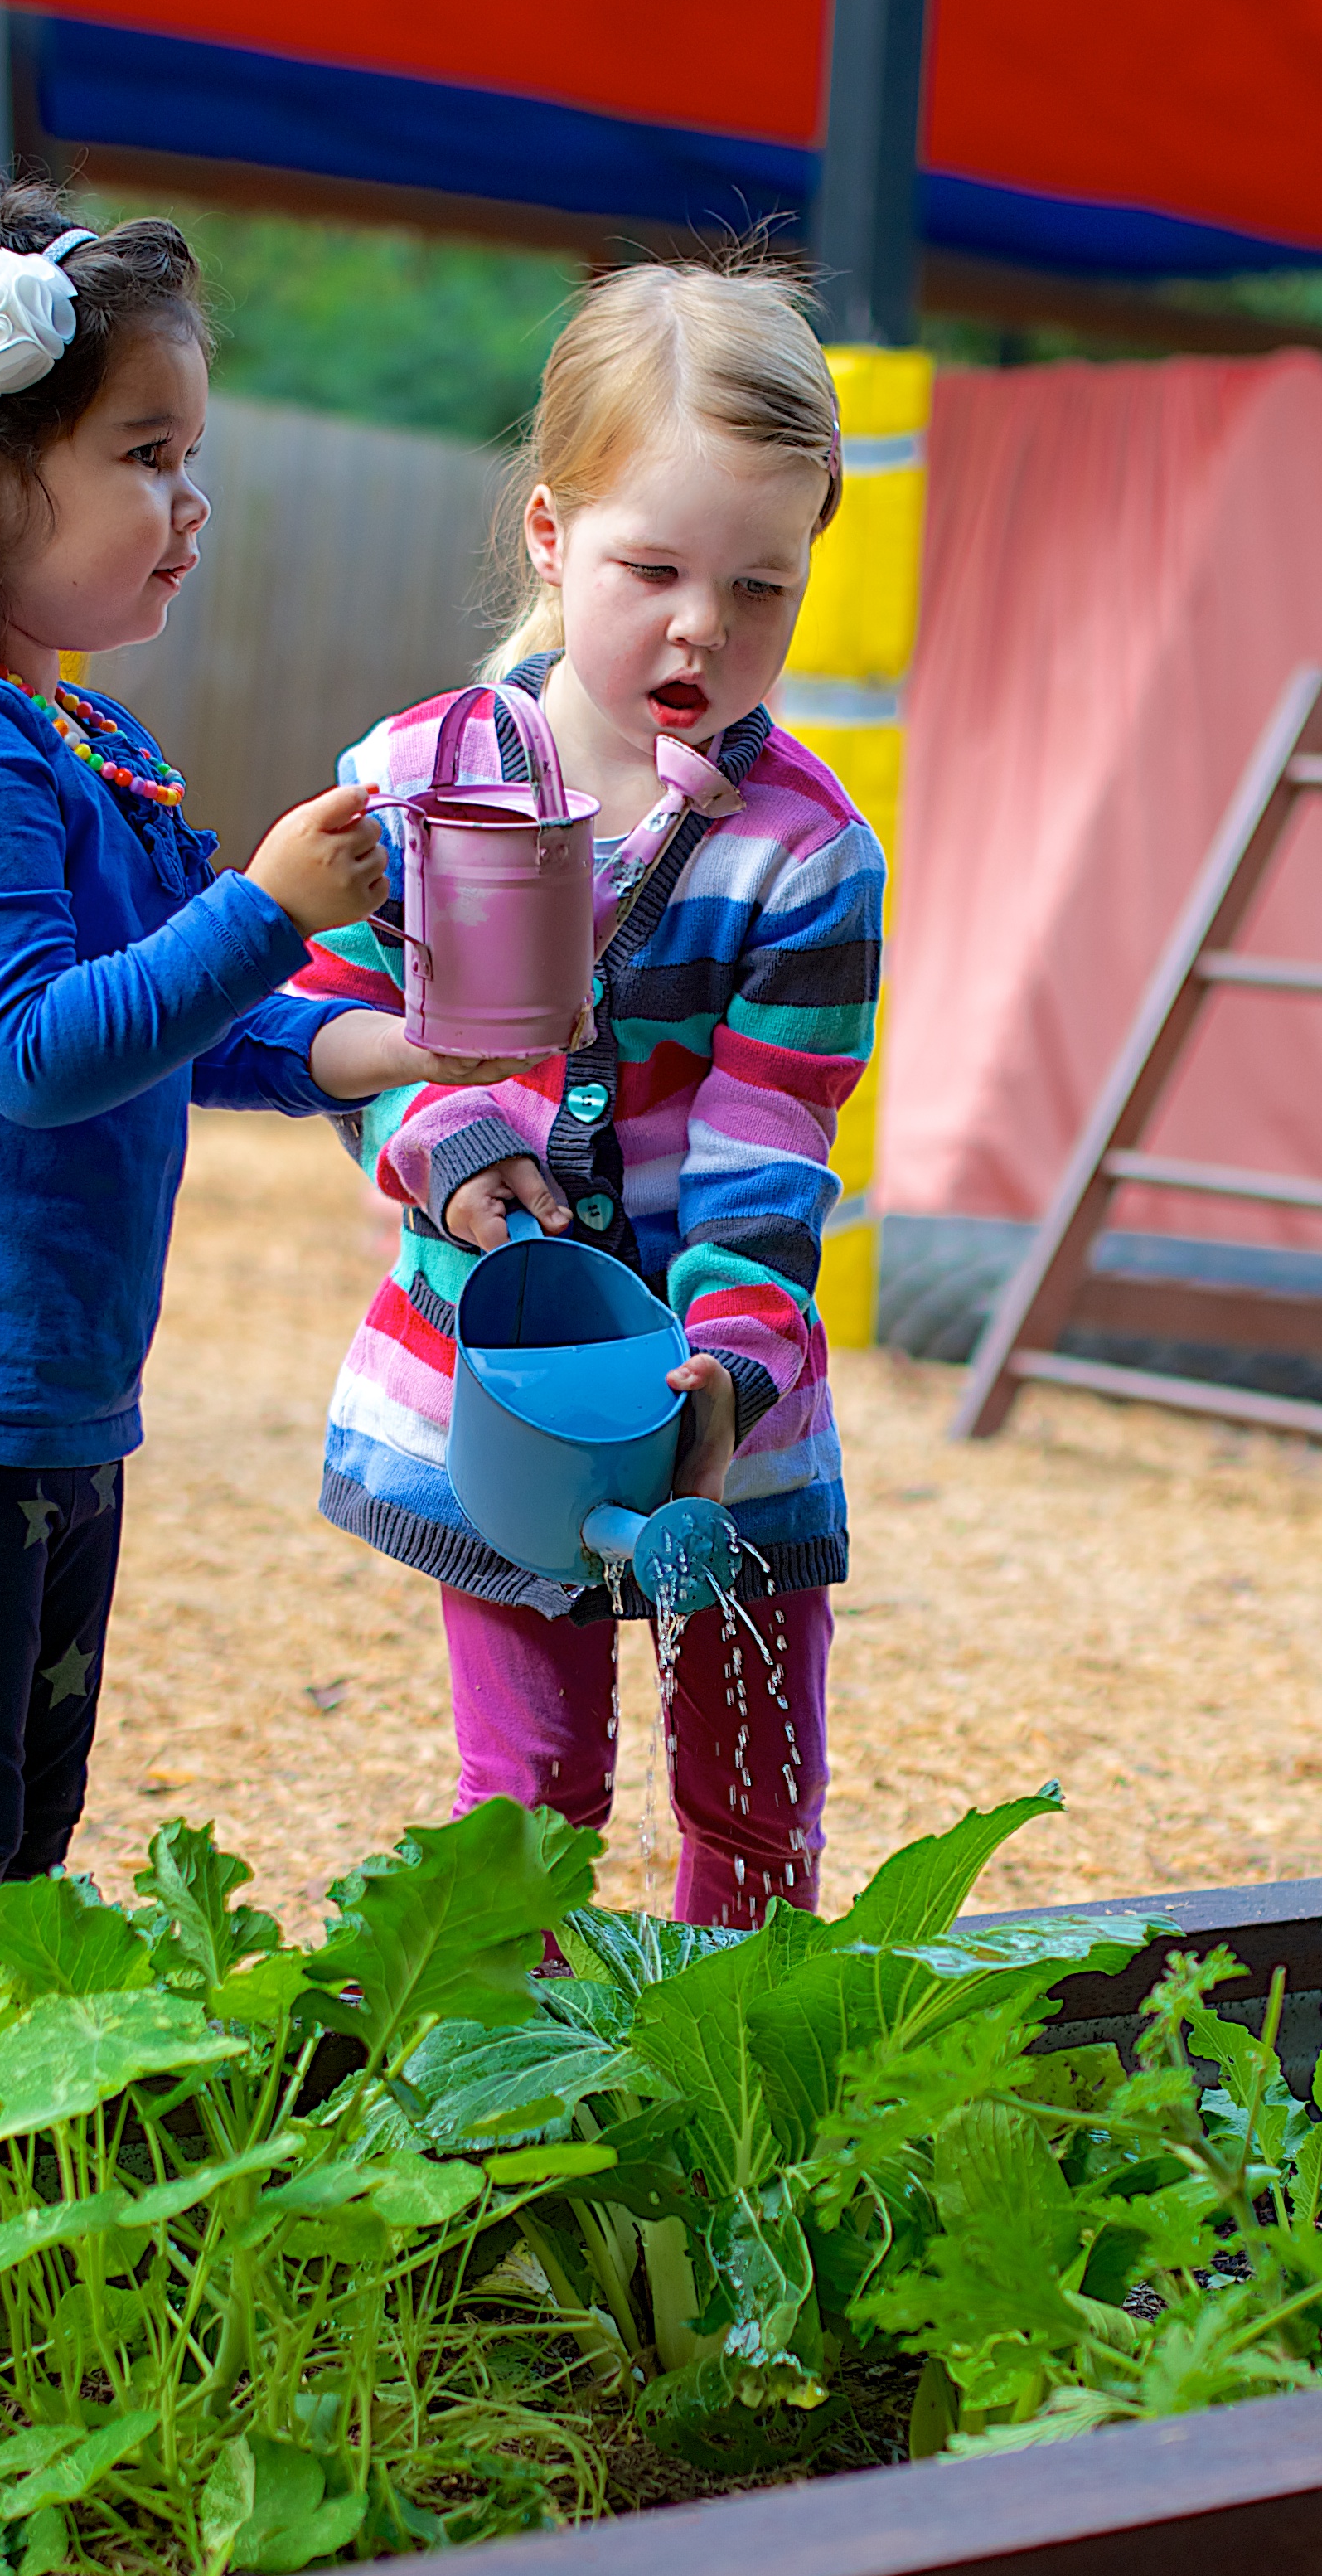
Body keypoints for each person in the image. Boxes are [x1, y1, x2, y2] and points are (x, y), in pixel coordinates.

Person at [0, 188, 453, 1990]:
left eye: (189, 452)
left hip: (39, 1399)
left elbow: (174, 1017)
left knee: (19, 1857)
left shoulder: (74, 726)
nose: (190, 503)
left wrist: (404, 1045)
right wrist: (267, 908)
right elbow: (39, 1050)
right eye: (145, 451)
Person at [271, 252, 884, 1927]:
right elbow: (332, 1005)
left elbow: (775, 1137)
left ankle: (734, 2076)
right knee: (525, 1798)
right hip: (508, 1379)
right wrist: (449, 1141)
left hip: (720, 1384)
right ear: (552, 537)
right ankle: (519, 2121)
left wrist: (734, 1369)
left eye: (762, 587)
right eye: (655, 568)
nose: (705, 625)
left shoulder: (806, 858)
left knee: (756, 1790)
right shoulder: (422, 784)